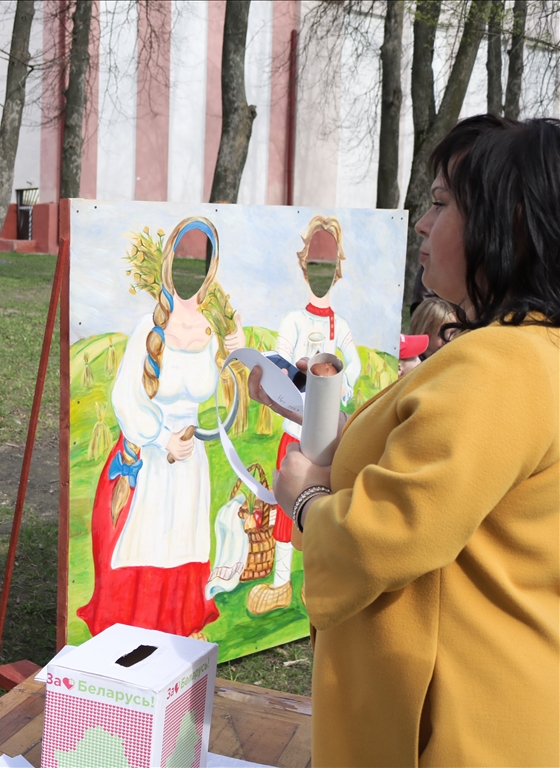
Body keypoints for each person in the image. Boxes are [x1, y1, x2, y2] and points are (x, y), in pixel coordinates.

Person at [254, 115, 559, 766]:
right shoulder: (528, 352)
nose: (421, 224)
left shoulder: (501, 364)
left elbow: (386, 534)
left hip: (446, 727)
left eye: (442, 204)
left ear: (506, 226)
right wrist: (333, 430)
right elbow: (440, 478)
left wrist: (305, 499)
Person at [78, 218, 244, 640]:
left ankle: (179, 625)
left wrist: (237, 350)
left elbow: (226, 390)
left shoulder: (212, 331)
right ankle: (134, 629)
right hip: (153, 452)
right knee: (147, 537)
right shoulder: (148, 329)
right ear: (168, 263)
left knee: (185, 538)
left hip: (190, 459)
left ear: (210, 270)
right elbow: (125, 396)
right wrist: (160, 437)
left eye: (201, 263)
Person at [252, 217, 362, 616]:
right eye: (313, 263)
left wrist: (337, 388)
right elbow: (281, 360)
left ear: (337, 269)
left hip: (329, 435)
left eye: (327, 264)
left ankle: (312, 582)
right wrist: (290, 384)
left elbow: (354, 364)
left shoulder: (340, 325)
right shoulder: (293, 320)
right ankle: (281, 583)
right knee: (287, 508)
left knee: (323, 506)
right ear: (303, 266)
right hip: (294, 428)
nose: (320, 272)